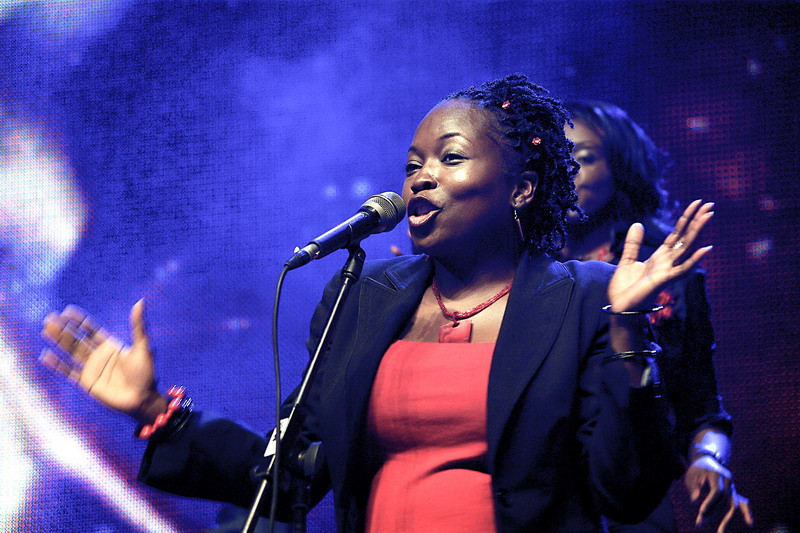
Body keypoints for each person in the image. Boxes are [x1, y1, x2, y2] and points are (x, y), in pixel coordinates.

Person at [42, 75, 713, 532]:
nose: (421, 174)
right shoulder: (365, 297)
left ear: (521, 189)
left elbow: (626, 486)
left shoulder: (584, 298)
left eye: (450, 158)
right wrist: (157, 410)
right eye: (414, 161)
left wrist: (628, 329)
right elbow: (293, 471)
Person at [563, 100, 753, 533]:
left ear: (620, 167)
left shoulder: (664, 271)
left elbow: (702, 409)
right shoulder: (516, 264)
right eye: (558, 157)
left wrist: (707, 460)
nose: (568, 170)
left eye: (585, 157)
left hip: (632, 499)